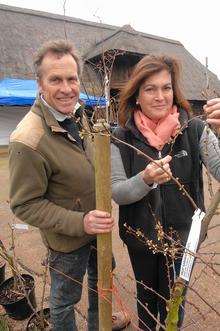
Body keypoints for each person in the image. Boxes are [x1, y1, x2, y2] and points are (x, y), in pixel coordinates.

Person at [8, 40, 129, 331]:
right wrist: (80, 221)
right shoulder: (28, 140)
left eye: (72, 78)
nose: (66, 88)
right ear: (39, 83)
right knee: (64, 301)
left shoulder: (78, 114)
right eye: (56, 80)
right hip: (66, 242)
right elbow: (24, 204)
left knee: (102, 283)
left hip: (97, 229)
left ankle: (99, 324)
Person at [111, 54, 220, 330]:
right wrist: (145, 179)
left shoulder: (195, 131)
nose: (160, 96)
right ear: (136, 95)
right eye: (150, 89)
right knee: (146, 300)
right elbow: (118, 192)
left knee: (175, 302)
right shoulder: (120, 138)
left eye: (166, 88)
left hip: (183, 240)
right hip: (141, 240)